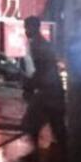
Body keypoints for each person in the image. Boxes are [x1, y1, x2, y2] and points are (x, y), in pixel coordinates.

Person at [20, 14, 66, 151]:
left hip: (48, 91)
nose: (26, 31)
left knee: (31, 123)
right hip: (52, 90)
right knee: (56, 123)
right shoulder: (39, 43)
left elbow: (42, 70)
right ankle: (62, 153)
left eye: (28, 27)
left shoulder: (38, 46)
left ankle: (35, 156)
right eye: (26, 28)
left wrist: (29, 85)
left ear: (36, 28)